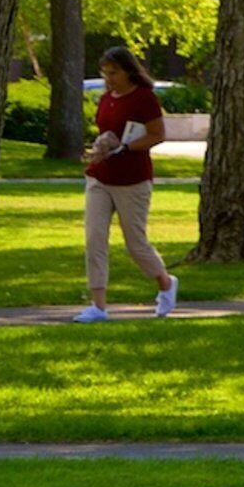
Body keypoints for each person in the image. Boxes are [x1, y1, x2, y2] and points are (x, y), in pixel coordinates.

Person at [75, 45, 178, 322]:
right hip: (101, 176)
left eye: (114, 73)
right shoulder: (107, 98)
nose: (109, 79)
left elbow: (157, 135)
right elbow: (106, 131)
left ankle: (166, 283)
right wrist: (101, 146)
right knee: (94, 238)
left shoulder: (144, 98)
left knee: (136, 243)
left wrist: (126, 147)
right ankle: (98, 306)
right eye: (105, 73)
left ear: (128, 71)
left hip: (132, 179)